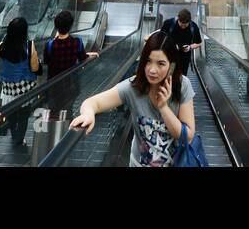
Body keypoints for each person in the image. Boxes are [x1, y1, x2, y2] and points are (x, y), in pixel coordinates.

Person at [71, 30, 194, 166]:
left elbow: (187, 137)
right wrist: (88, 114)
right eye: (148, 61)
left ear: (171, 66)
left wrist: (164, 107)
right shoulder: (134, 86)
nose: (152, 70)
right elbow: (93, 102)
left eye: (160, 63)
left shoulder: (182, 86)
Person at [0, 17, 41, 144]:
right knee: (24, 115)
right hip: (25, 89)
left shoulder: (2, 46)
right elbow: (35, 67)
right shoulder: (30, 45)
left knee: (12, 115)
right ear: (24, 31)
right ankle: (19, 139)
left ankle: (15, 136)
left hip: (9, 91)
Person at [44, 10, 100, 115]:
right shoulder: (76, 42)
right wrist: (89, 54)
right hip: (70, 84)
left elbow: (46, 61)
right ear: (70, 26)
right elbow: (83, 57)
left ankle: (53, 129)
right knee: (67, 110)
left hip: (53, 85)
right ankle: (68, 128)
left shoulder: (50, 45)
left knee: (53, 112)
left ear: (56, 26)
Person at [159, 8, 203, 79]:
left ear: (189, 22)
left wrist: (190, 47)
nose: (183, 26)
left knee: (181, 78)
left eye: (185, 25)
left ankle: (178, 89)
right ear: (178, 19)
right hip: (170, 56)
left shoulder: (193, 27)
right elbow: (161, 38)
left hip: (184, 59)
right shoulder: (169, 23)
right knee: (169, 76)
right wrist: (172, 45)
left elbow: (199, 43)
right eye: (181, 24)